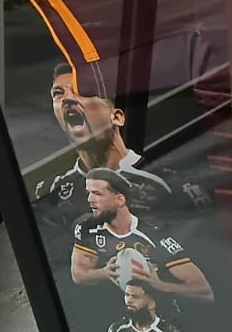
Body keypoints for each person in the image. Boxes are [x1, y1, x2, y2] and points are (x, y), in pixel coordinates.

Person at [34, 63, 211, 254]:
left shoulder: (170, 183)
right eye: (58, 93)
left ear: (117, 117)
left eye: (81, 91)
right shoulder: (50, 193)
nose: (67, 99)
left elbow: (203, 251)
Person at [71, 169, 214, 303]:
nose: (90, 199)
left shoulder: (154, 234)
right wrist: (104, 273)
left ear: (120, 200)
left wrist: (161, 286)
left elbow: (203, 290)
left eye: (97, 193)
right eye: (89, 193)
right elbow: (78, 274)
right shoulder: (87, 228)